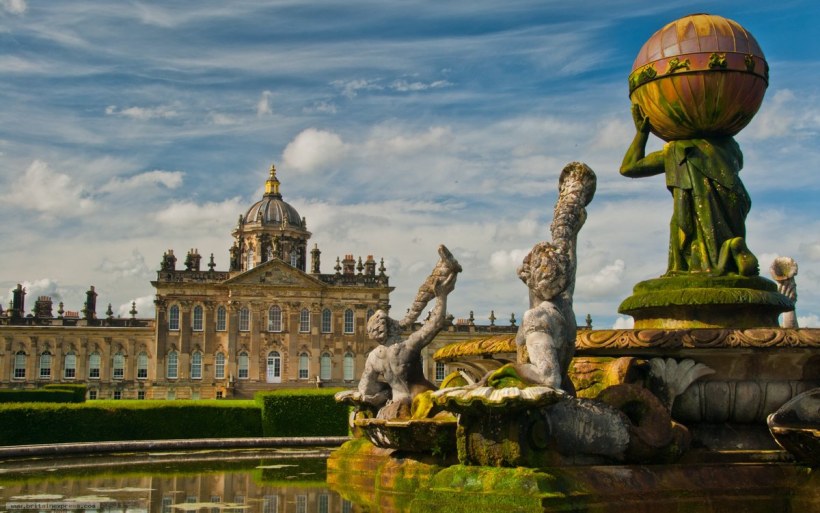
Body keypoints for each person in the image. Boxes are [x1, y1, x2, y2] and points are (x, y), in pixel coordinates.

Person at [620, 104, 758, 276]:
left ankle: (724, 254)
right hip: (734, 200)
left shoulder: (680, 149)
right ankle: (729, 250)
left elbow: (629, 167)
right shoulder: (730, 148)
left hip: (702, 202)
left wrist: (642, 134)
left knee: (696, 255)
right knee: (727, 259)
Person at [355, 245, 460, 420]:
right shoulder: (406, 348)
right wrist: (441, 296)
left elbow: (365, 390)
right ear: (392, 327)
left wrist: (387, 391)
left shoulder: (374, 358)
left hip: (397, 406)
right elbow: (434, 324)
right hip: (426, 404)